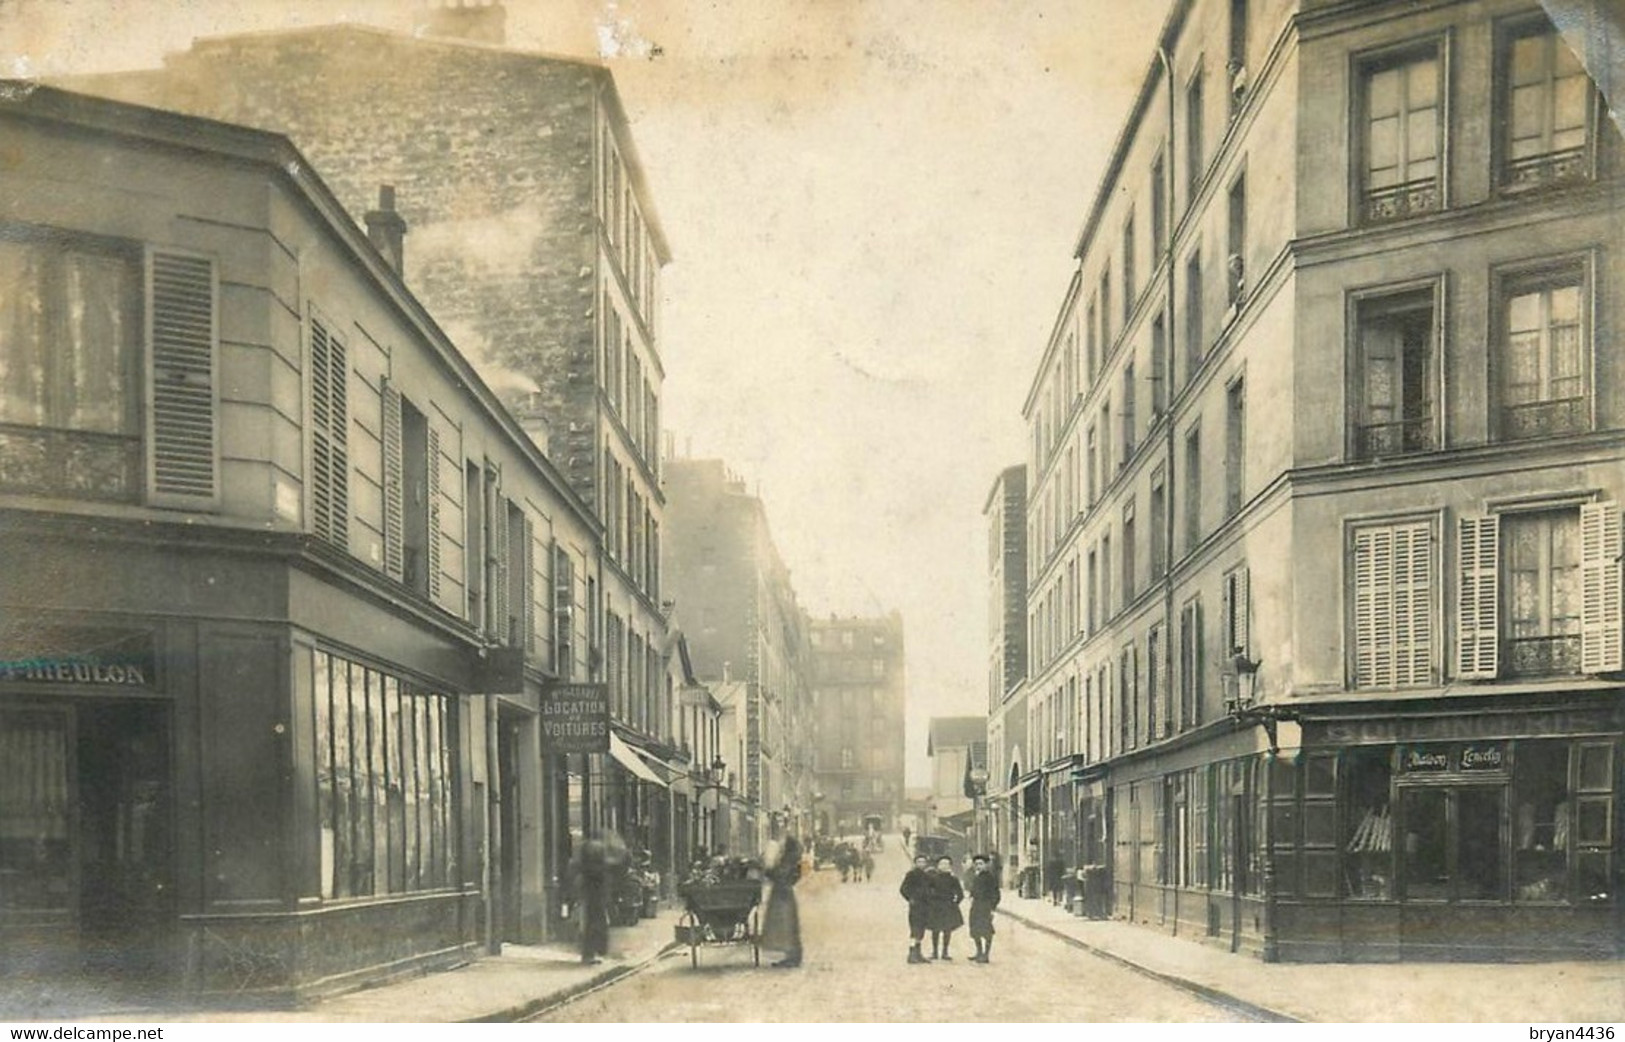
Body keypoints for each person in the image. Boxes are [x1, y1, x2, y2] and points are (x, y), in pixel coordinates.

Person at [567, 833, 611, 965]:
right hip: (595, 898)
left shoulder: (583, 867)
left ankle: (589, 953)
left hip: (587, 896)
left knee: (588, 924)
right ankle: (591, 953)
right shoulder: (598, 869)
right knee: (594, 924)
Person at [760, 833, 803, 968]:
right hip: (784, 893)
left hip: (782, 894)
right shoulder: (791, 859)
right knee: (788, 925)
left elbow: (780, 875)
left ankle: (792, 956)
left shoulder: (788, 860)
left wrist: (768, 871)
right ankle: (791, 955)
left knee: (785, 925)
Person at [925, 854, 965, 961]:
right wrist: (930, 902)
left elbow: (960, 894)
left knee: (947, 930)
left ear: (950, 866)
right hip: (936, 906)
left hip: (948, 906)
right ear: (938, 866)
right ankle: (934, 951)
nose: (944, 866)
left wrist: (954, 903)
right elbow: (927, 891)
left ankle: (945, 952)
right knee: (935, 930)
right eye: (941, 864)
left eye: (946, 864)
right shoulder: (933, 878)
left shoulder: (953, 879)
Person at [967, 853, 1001, 963]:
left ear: (986, 865)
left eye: (981, 864)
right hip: (976, 906)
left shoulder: (990, 877)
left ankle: (986, 954)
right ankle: (979, 952)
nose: (978, 866)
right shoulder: (976, 876)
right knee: (975, 930)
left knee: (986, 931)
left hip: (985, 906)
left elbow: (996, 894)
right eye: (976, 864)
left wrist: (992, 908)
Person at [899, 853, 932, 964]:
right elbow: (903, 889)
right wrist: (910, 898)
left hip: (925, 906)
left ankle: (918, 953)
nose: (921, 864)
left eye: (923, 862)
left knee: (921, 930)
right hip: (915, 906)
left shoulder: (927, 876)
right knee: (915, 930)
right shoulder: (911, 875)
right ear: (915, 863)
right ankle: (912, 954)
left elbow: (932, 888)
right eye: (919, 862)